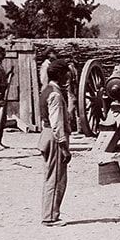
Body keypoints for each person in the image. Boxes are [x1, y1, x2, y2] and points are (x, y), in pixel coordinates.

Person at [39, 60, 72, 226]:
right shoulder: (56, 95)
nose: (68, 75)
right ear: (59, 74)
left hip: (46, 134)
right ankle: (50, 216)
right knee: (56, 178)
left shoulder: (46, 90)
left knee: (51, 176)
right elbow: (57, 124)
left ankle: (50, 213)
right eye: (66, 72)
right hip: (54, 138)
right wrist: (64, 147)